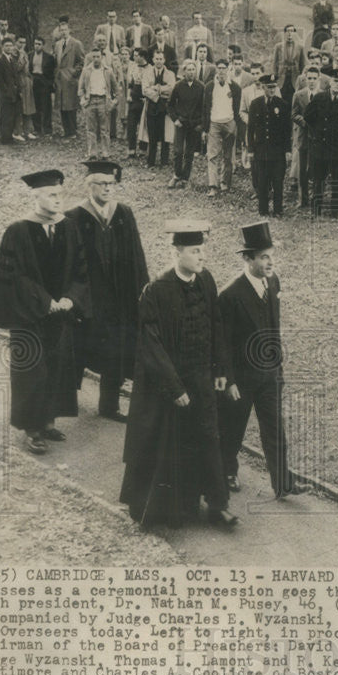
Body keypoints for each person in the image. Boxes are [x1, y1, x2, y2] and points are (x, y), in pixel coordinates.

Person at [119, 219, 238, 529]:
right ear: (177, 252)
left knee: (208, 439)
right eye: (196, 251)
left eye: (203, 251)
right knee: (167, 445)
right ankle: (165, 510)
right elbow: (150, 346)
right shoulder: (155, 291)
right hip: (168, 387)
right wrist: (174, 387)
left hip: (202, 380)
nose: (202, 257)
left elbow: (217, 326)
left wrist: (221, 369)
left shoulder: (206, 281)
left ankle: (217, 504)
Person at [0, 169, 90, 455]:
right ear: (36, 196)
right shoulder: (18, 231)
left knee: (57, 368)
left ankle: (47, 422)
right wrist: (46, 301)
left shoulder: (69, 227)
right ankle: (31, 429)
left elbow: (81, 271)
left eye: (61, 194)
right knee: (31, 371)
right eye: (52, 195)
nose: (59, 200)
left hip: (61, 315)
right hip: (29, 314)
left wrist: (71, 298)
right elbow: (15, 278)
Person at [218, 222, 311, 500]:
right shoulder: (230, 295)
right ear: (248, 259)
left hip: (269, 375)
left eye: (271, 255)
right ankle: (226, 470)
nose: (270, 262)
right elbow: (221, 343)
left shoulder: (273, 282)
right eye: (263, 257)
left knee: (274, 430)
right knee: (233, 427)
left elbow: (273, 326)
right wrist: (229, 380)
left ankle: (283, 484)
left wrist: (277, 369)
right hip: (242, 378)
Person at [65, 161, 148, 421]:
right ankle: (66, 403)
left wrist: (142, 290)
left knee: (118, 349)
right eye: (102, 184)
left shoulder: (123, 213)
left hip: (121, 298)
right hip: (90, 298)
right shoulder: (74, 216)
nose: (108, 189)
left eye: (111, 184)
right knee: (80, 347)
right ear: (90, 185)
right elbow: (69, 263)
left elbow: (137, 257)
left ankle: (109, 406)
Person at [305, 69, 338, 217]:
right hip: (320, 145)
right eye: (335, 81)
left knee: (337, 180)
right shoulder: (319, 98)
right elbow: (308, 116)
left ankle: (335, 210)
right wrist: (319, 129)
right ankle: (316, 209)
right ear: (330, 82)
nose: (337, 84)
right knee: (318, 179)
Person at [247, 73, 291, 217]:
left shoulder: (282, 105)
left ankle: (278, 210)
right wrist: (251, 150)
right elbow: (251, 129)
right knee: (262, 181)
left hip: (277, 151)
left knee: (278, 182)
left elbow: (286, 130)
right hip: (261, 150)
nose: (272, 90)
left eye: (274, 87)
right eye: (269, 87)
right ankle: (263, 210)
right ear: (263, 87)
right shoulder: (255, 104)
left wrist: (287, 150)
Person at [203, 58, 242, 198]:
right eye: (219, 68)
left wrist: (236, 124)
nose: (221, 71)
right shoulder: (209, 87)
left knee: (228, 156)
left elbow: (238, 108)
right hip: (214, 123)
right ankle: (213, 186)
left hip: (229, 123)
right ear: (216, 69)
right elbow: (205, 108)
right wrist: (205, 128)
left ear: (228, 69)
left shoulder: (235, 87)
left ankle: (225, 183)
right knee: (212, 155)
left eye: (223, 68)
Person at [167, 59, 205, 189]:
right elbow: (170, 105)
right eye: (188, 70)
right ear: (184, 71)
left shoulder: (201, 87)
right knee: (178, 150)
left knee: (189, 152)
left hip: (194, 125)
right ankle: (177, 175)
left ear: (196, 71)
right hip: (181, 123)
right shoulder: (178, 86)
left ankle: (185, 178)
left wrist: (201, 124)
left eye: (193, 70)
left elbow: (204, 107)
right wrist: (175, 119)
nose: (191, 72)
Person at [292, 66, 324, 208]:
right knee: (303, 170)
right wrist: (304, 121)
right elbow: (293, 114)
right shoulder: (299, 95)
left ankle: (316, 199)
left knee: (317, 169)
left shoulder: (324, 95)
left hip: (318, 139)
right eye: (309, 78)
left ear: (319, 79)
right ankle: (302, 199)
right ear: (305, 79)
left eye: (314, 79)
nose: (311, 81)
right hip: (304, 137)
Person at [78, 47, 117, 159]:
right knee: (91, 129)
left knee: (105, 129)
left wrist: (113, 102)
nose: (95, 59)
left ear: (102, 57)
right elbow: (80, 88)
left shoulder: (108, 71)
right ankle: (93, 153)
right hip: (90, 101)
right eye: (93, 57)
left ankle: (105, 153)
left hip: (103, 101)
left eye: (98, 57)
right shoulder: (86, 70)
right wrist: (82, 100)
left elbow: (116, 89)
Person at [142, 48, 175, 167]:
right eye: (157, 59)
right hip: (151, 106)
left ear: (164, 60)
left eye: (161, 59)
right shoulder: (147, 73)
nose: (159, 61)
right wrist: (159, 94)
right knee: (152, 135)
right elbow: (145, 90)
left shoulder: (170, 74)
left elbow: (172, 89)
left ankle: (164, 161)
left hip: (165, 108)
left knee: (164, 134)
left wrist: (158, 88)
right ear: (153, 59)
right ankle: (150, 161)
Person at [53, 18, 85, 138]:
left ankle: (72, 131)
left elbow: (81, 62)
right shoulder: (57, 45)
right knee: (62, 105)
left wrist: (73, 73)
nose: (63, 32)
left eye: (65, 30)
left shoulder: (76, 44)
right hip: (60, 79)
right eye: (61, 30)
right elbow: (56, 62)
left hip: (70, 79)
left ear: (69, 30)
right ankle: (66, 131)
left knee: (71, 105)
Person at [0, 36, 22, 145]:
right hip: (6, 93)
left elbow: (16, 76)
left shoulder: (13, 59)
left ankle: (9, 136)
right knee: (6, 115)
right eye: (6, 46)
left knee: (13, 115)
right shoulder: (0, 61)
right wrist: (5, 90)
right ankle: (5, 138)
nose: (9, 48)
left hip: (14, 92)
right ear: (2, 47)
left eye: (10, 45)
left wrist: (17, 88)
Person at [28, 36, 56, 136]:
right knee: (35, 106)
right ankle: (37, 128)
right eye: (35, 44)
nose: (37, 46)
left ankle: (47, 129)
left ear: (43, 45)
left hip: (44, 82)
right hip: (34, 81)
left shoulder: (49, 57)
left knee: (46, 106)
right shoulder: (30, 55)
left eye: (39, 44)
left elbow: (53, 72)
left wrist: (49, 84)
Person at [272, 24, 306, 104]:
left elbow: (302, 65)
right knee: (281, 100)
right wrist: (275, 78)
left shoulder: (300, 47)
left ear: (295, 33)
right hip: (282, 78)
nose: (290, 33)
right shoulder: (278, 47)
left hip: (294, 79)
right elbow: (275, 63)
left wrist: (302, 79)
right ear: (285, 33)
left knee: (293, 100)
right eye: (288, 31)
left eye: (292, 31)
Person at [125, 48, 148, 157]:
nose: (134, 58)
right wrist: (129, 95)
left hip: (144, 100)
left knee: (144, 126)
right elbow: (130, 83)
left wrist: (147, 98)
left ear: (142, 57)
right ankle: (131, 149)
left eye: (136, 55)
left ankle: (143, 149)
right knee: (131, 125)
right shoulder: (133, 67)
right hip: (134, 100)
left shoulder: (150, 68)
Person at [13, 36, 37, 140]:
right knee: (19, 108)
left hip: (26, 83)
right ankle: (17, 131)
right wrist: (22, 58)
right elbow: (16, 69)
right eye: (20, 42)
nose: (22, 44)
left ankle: (28, 130)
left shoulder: (24, 53)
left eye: (24, 42)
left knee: (28, 107)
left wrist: (30, 79)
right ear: (16, 42)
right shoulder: (14, 53)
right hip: (18, 83)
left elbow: (27, 69)